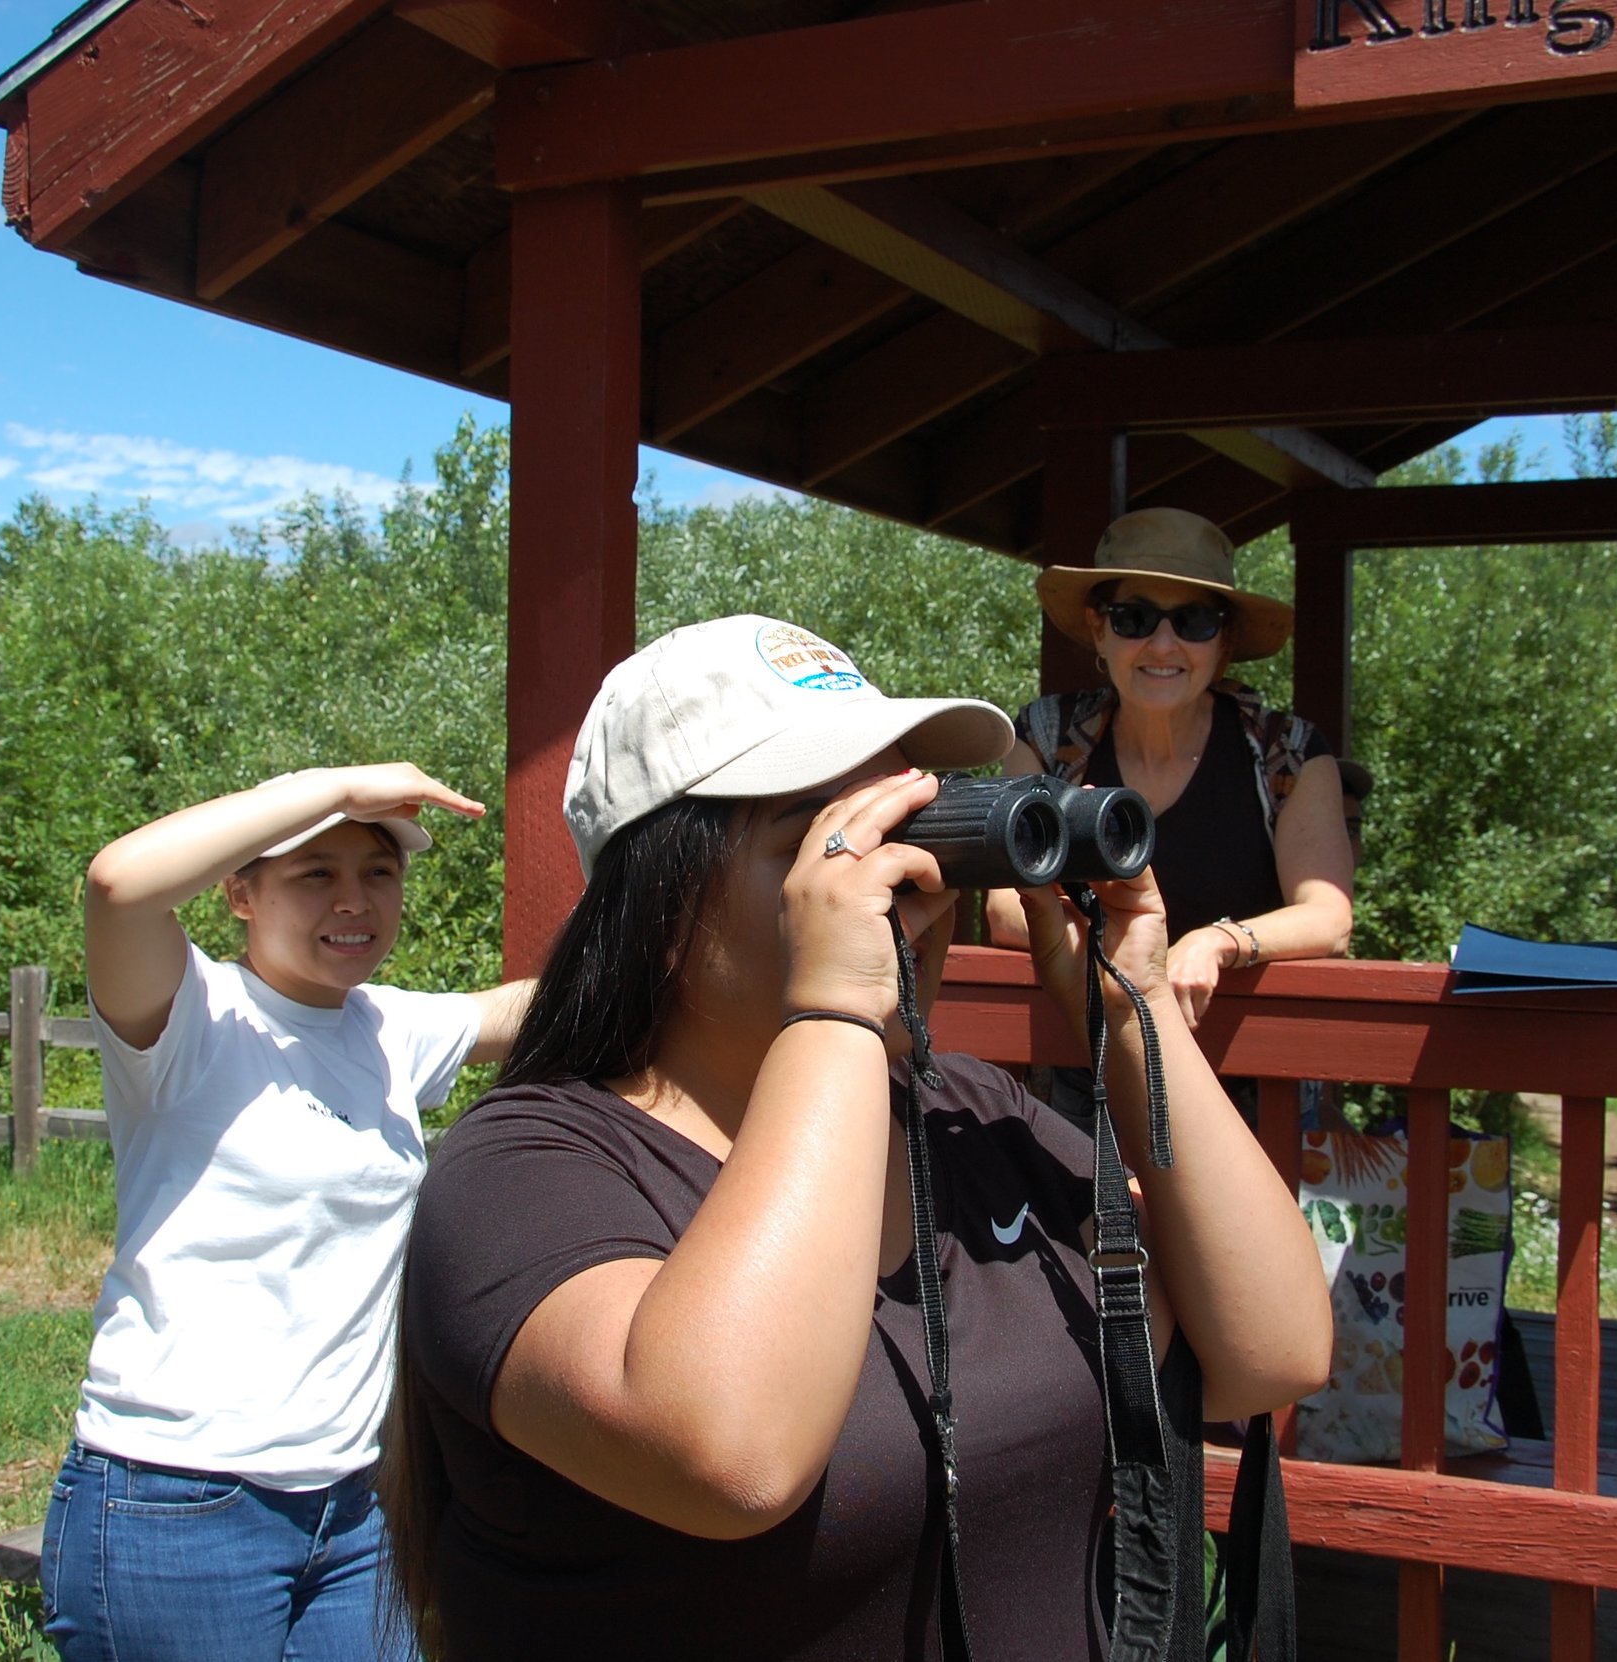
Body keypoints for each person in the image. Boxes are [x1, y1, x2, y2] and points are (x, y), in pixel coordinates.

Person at [386, 616, 1332, 1661]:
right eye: (823, 848)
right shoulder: (520, 1173)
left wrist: (1133, 1004)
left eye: (912, 831)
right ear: (658, 906)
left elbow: (1271, 1350)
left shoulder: (974, 1121)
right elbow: (732, 1454)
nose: (901, 887)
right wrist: (832, 1008)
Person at [41, 766, 533, 1662]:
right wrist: (342, 786)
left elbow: (522, 1008)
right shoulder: (191, 1017)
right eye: (315, 873)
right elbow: (119, 883)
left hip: (351, 1506)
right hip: (177, 1502)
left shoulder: (383, 1029)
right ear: (239, 891)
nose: (354, 900)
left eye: (378, 872)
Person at [986, 508, 1354, 1035]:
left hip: (1248, 1075)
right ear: (1098, 628)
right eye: (1133, 618)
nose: (1162, 645)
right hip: (1083, 1066)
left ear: (1223, 643)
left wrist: (1217, 942)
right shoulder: (1046, 737)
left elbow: (1329, 917)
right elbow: (1005, 909)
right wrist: (1145, 960)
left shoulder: (1288, 752)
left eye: (1194, 621)